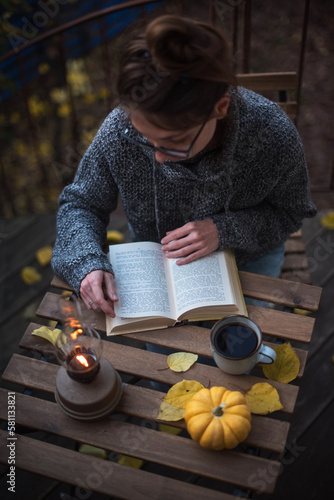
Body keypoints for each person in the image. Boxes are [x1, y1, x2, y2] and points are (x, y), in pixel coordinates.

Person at [51, 14, 317, 318]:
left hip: (248, 256)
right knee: (157, 358)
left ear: (220, 108)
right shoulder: (119, 132)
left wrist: (224, 230)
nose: (158, 158)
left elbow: (291, 212)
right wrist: (87, 262)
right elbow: (80, 203)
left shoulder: (271, 135)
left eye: (172, 141)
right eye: (145, 138)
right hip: (156, 265)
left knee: (238, 343)